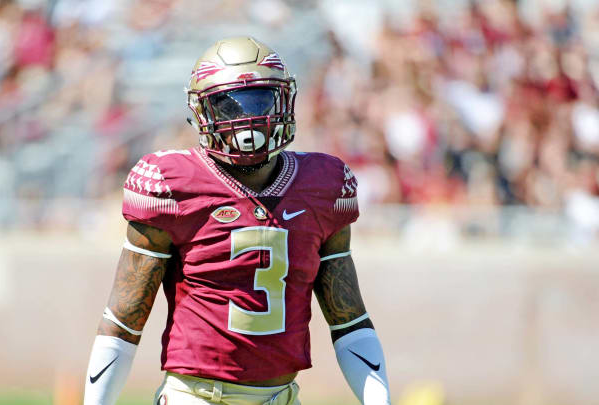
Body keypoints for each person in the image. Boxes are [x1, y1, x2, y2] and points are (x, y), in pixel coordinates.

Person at [83, 37, 391, 405]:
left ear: (283, 101)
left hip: (282, 397)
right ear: (202, 112)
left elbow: (349, 320)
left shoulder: (322, 185)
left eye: (259, 100)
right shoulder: (172, 184)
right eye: (228, 106)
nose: (247, 118)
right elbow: (123, 321)